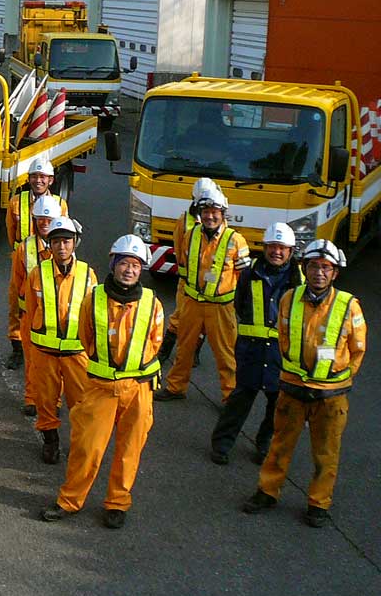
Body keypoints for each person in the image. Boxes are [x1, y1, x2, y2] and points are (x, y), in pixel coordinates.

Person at [41, 235, 165, 529]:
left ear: (141, 270)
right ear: (113, 264)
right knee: (87, 447)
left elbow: (156, 341)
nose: (129, 270)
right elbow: (86, 336)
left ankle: (117, 503)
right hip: (100, 387)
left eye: (135, 265)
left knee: (129, 449)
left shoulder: (151, 303)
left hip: (139, 388)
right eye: (124, 263)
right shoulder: (93, 298)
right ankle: (70, 500)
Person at [243, 239, 367, 528]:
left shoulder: (349, 306)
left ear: (335, 273)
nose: (319, 273)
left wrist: (337, 379)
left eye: (326, 268)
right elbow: (283, 338)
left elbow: (358, 350)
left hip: (330, 395)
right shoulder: (289, 299)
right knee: (279, 445)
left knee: (326, 452)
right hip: (292, 388)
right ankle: (267, 492)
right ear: (304, 268)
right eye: (314, 266)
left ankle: (318, 503)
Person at [210, 222, 302, 466]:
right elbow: (240, 304)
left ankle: (265, 445)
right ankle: (221, 445)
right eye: (272, 247)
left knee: (277, 404)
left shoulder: (298, 281)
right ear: (264, 248)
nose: (277, 252)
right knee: (240, 400)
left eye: (282, 248)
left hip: (281, 355)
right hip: (251, 350)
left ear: (291, 251)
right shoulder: (250, 273)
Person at [156, 187, 249, 403]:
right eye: (205, 211)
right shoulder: (191, 235)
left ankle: (229, 397)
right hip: (193, 304)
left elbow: (244, 278)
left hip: (221, 307)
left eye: (214, 211)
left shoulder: (236, 241)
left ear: (223, 213)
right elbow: (184, 267)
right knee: (184, 349)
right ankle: (176, 387)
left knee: (226, 356)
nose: (209, 216)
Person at [22, 217, 96, 464]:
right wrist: (32, 351)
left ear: (75, 243)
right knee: (45, 401)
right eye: (56, 242)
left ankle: (80, 443)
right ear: (49, 245)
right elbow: (30, 312)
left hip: (76, 354)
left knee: (81, 403)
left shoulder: (88, 275)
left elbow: (93, 316)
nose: (61, 247)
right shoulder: (37, 274)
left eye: (66, 241)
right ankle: (50, 440)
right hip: (45, 353)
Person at [6, 194, 62, 414]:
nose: (44, 224)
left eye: (49, 220)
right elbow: (15, 284)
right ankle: (31, 398)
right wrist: (16, 313)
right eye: (40, 219)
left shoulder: (63, 246)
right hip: (30, 313)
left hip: (57, 315)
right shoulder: (24, 249)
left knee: (57, 363)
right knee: (32, 359)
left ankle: (54, 401)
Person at [158, 177, 219, 366]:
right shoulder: (188, 222)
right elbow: (180, 251)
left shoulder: (213, 219)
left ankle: (193, 352)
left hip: (209, 281)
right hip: (189, 282)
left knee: (205, 321)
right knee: (179, 317)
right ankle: (165, 351)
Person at [6, 155, 68, 248]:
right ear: (29, 179)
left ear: (50, 180)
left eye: (42, 177)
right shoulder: (16, 202)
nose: (38, 180)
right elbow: (11, 231)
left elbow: (63, 233)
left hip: (49, 257)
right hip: (23, 257)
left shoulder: (60, 204)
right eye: (34, 176)